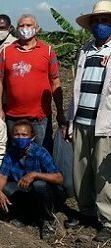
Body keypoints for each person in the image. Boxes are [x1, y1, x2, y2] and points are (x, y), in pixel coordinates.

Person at [64, 1, 111, 241]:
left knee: (104, 173)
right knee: (81, 171)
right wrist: (69, 120)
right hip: (82, 119)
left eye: (105, 21)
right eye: (97, 21)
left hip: (106, 124)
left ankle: (107, 221)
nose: (100, 25)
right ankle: (86, 213)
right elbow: (76, 88)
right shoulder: (85, 50)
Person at [0, 14, 65, 153]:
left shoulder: (48, 51)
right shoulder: (7, 52)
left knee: (42, 154)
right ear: (16, 29)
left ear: (37, 29)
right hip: (13, 116)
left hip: (40, 118)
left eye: (28, 25)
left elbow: (55, 82)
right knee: (16, 156)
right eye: (21, 25)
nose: (24, 28)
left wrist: (60, 112)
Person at [0, 120, 64, 240]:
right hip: (24, 191)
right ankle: (24, 216)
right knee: (5, 188)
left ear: (32, 137)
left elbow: (59, 178)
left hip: (44, 194)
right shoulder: (11, 153)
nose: (20, 138)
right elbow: (2, 175)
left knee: (39, 185)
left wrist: (35, 175)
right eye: (17, 135)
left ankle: (48, 220)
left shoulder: (40, 152)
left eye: (24, 135)